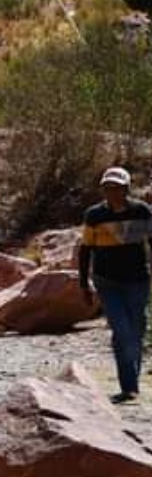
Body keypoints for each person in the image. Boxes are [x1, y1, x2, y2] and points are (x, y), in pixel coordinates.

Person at [79, 166, 152, 404]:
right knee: (121, 330)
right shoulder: (94, 215)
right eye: (107, 188)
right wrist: (83, 284)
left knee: (136, 330)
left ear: (126, 189)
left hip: (138, 280)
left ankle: (132, 379)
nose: (111, 192)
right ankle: (128, 386)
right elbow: (85, 250)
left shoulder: (142, 212)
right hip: (107, 282)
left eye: (116, 188)